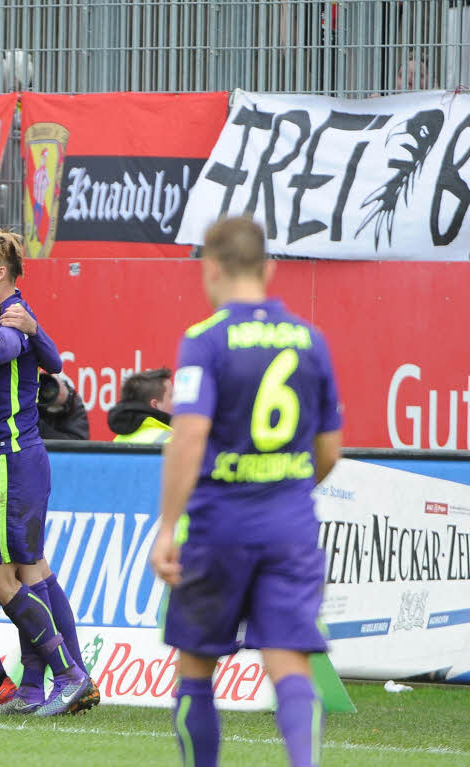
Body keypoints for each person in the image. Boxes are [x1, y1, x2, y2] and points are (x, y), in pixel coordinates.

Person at [150, 216, 342, 767]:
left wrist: (169, 526)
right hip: (290, 524)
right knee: (289, 662)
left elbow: (188, 433)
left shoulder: (204, 340)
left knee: (196, 667)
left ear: (209, 267)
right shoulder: (312, 339)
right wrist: (285, 486)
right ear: (270, 268)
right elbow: (331, 448)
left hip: (219, 525)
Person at [0, 230, 97, 717]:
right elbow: (49, 357)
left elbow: (12, 349)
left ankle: (69, 675)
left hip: (11, 457)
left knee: (14, 573)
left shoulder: (7, 311)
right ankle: (34, 685)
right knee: (28, 571)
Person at [108, 367, 174, 444]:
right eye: (171, 396)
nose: (177, 400)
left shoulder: (118, 440)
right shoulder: (172, 440)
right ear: (155, 405)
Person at [37, 372, 89, 440]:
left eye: (51, 388)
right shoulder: (30, 401)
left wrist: (66, 403)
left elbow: (79, 445)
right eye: (46, 391)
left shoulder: (73, 402)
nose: (49, 391)